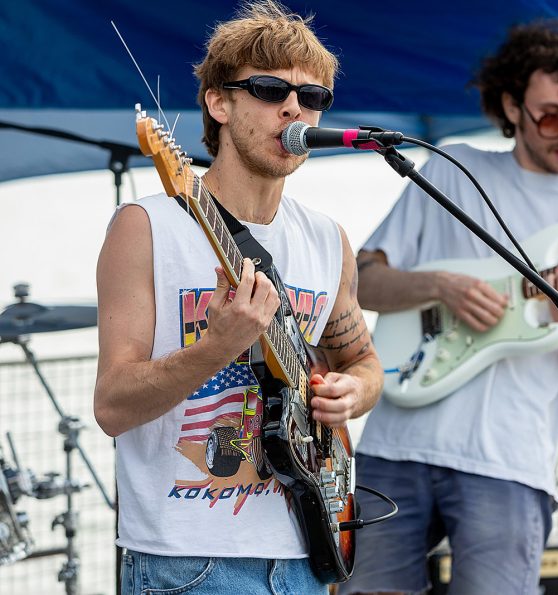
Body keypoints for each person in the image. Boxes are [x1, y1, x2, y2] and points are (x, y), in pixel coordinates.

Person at [343, 19, 558, 595]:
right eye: (553, 115)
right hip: (396, 444)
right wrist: (441, 285)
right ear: (511, 105)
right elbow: (363, 282)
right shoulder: (450, 173)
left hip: (509, 461)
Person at [93, 2, 382, 593]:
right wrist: (216, 346)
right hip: (184, 561)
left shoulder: (329, 241)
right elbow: (112, 406)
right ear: (218, 103)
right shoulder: (147, 228)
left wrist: (352, 394)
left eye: (313, 97)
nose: (294, 108)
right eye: (270, 89)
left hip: (304, 551)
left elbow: (364, 364)